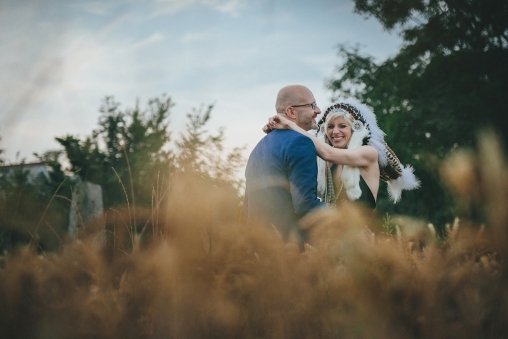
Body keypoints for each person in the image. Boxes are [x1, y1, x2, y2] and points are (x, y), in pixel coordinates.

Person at [265, 97, 420, 208]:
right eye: (330, 126)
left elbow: (328, 153)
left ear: (355, 129)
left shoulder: (368, 153)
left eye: (342, 126)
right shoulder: (324, 162)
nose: (335, 131)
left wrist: (289, 124)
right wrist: (276, 134)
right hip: (331, 239)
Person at [244, 85, 325, 246]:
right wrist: (343, 220)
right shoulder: (300, 142)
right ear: (291, 112)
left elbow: (247, 207)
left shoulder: (257, 149)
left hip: (263, 249)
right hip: (293, 251)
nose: (318, 110)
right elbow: (305, 204)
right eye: (312, 105)